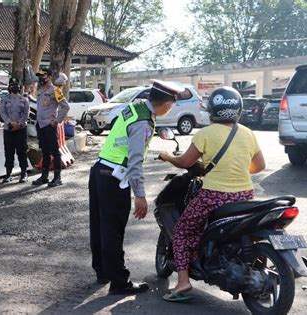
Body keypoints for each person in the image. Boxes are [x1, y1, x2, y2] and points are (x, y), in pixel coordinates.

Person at [159, 86, 266, 302]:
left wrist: (168, 156)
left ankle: (182, 282)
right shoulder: (247, 133)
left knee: (181, 231)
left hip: (214, 196)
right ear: (239, 109)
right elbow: (259, 166)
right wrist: (235, 169)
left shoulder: (206, 133)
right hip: (244, 197)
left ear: (212, 109)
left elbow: (185, 162)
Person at [89, 80, 185, 295]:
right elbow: (134, 161)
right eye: (172, 104)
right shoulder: (144, 122)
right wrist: (140, 195)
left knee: (100, 226)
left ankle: (103, 271)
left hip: (100, 170)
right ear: (168, 104)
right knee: (113, 230)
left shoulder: (136, 106)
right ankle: (119, 282)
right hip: (115, 177)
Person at [32, 68, 70, 187]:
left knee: (55, 151)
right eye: (39, 76)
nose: (41, 78)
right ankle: (44, 176)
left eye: (43, 76)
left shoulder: (56, 90)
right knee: (45, 151)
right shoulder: (41, 90)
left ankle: (57, 178)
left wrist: (57, 121)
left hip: (49, 126)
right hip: (40, 125)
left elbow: (65, 107)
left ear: (49, 77)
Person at [0, 77, 30, 183]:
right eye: (13, 85)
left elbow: (26, 113)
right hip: (8, 129)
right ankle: (8, 174)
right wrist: (10, 123)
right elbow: (2, 113)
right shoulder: (4, 100)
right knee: (8, 151)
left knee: (22, 151)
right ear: (9, 87)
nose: (15, 87)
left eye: (17, 85)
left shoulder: (24, 100)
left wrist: (19, 123)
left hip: (21, 129)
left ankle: (23, 173)